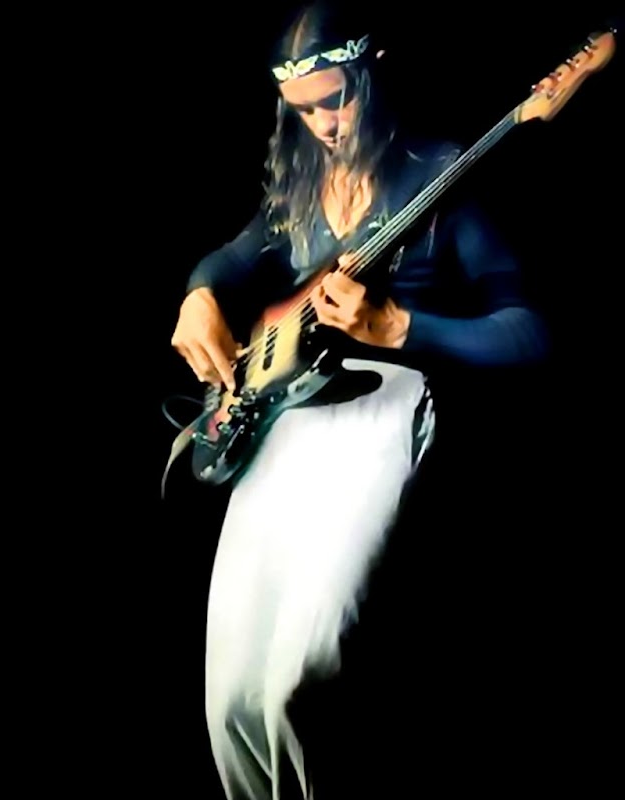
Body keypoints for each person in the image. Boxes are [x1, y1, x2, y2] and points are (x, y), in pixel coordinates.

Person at [168, 2, 550, 798]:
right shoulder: (300, 187)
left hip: (381, 409)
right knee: (229, 698)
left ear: (372, 77)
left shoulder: (438, 173)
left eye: (334, 101)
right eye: (302, 110)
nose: (323, 125)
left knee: (302, 676)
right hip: (284, 423)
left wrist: (402, 327)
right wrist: (199, 295)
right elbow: (231, 258)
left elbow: (529, 333)